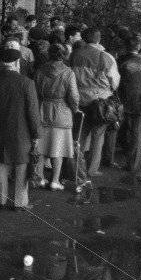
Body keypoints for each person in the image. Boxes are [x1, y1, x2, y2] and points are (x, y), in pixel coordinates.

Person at [0, 49, 41, 210]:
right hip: (21, 132)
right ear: (17, 64)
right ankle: (20, 202)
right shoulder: (26, 83)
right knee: (22, 166)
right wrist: (36, 135)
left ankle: (0, 200)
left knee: (0, 165)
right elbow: (33, 112)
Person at [68, 27, 120, 178]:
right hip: (101, 103)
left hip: (79, 100)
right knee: (98, 135)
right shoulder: (106, 57)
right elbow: (114, 82)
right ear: (99, 39)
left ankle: (77, 168)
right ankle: (91, 170)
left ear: (83, 39)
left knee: (80, 135)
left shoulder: (74, 55)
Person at [33, 44, 80, 190]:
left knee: (40, 148)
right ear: (64, 55)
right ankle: (55, 180)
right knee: (58, 148)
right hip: (61, 112)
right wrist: (74, 109)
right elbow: (73, 96)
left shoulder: (39, 70)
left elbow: (33, 91)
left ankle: (40, 178)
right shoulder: (68, 72)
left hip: (42, 110)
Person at [117, 35, 141, 172]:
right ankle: (132, 164)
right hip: (140, 101)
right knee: (137, 134)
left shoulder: (119, 61)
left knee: (114, 129)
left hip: (121, 99)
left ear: (125, 46)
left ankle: (109, 158)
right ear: (139, 47)